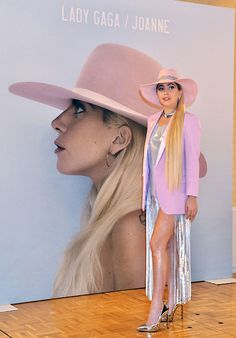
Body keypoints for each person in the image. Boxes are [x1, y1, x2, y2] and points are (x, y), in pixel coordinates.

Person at [8, 43, 162, 296]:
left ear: (120, 139)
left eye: (79, 110)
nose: (57, 122)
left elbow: (141, 334)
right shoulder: (116, 223)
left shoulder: (131, 227)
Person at [137, 68, 201, 332]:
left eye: (171, 88)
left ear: (179, 92)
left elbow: (192, 160)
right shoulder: (153, 120)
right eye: (161, 88)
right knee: (168, 248)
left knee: (156, 244)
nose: (165, 93)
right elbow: (150, 162)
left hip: (175, 194)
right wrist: (145, 193)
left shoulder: (189, 121)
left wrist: (192, 196)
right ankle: (171, 302)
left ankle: (156, 307)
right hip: (155, 194)